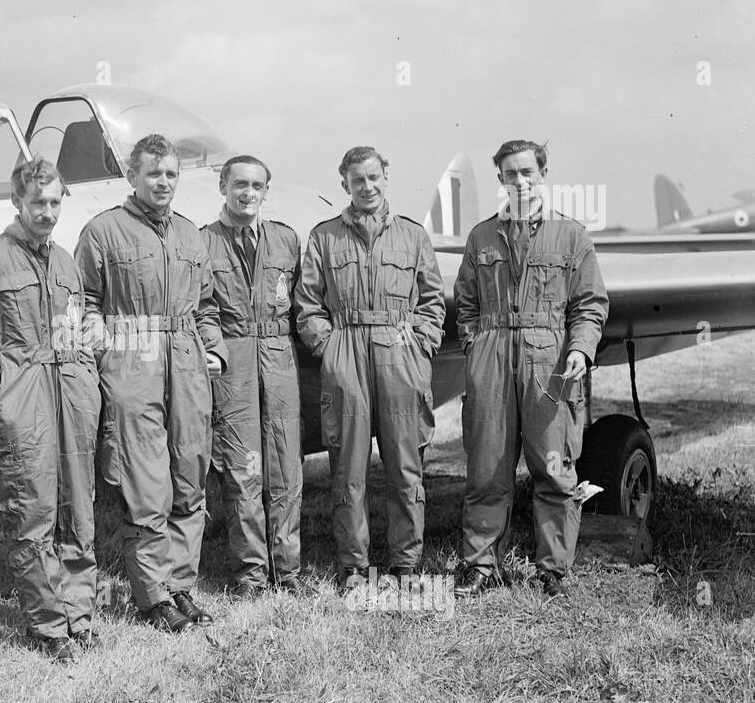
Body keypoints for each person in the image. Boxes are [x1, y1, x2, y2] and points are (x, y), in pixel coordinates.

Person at [74, 134, 228, 632]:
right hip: (131, 359)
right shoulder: (102, 231)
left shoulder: (191, 235)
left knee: (189, 474)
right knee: (145, 483)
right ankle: (153, 595)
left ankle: (183, 587)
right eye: (154, 174)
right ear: (132, 177)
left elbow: (206, 305)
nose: (163, 183)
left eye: (171, 175)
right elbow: (85, 303)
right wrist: (105, 351)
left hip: (185, 362)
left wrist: (214, 349)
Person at [0, 157, 102, 662]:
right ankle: (47, 624)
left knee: (79, 508)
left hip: (73, 393)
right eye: (36, 202)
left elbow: (80, 322)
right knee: (33, 509)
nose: (46, 211)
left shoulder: (65, 261)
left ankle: (80, 615)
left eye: (54, 202)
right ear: (16, 201)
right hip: (24, 398)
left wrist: (87, 368)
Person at [454, 140, 608, 598]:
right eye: (509, 174)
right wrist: (478, 346)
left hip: (550, 361)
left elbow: (590, 304)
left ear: (542, 173)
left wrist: (580, 349)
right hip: (492, 359)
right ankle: (480, 566)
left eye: (527, 172)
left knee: (554, 464)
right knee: (487, 466)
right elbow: (465, 304)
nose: (519, 181)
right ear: (500, 178)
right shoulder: (481, 237)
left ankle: (552, 570)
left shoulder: (572, 235)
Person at [295, 146, 445, 588]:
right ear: (345, 185)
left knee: (404, 466)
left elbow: (433, 301)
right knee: (349, 468)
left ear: (386, 178)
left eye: (374, 177)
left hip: (399, 353)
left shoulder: (413, 236)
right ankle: (355, 566)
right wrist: (332, 350)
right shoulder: (324, 237)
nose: (367, 186)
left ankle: (405, 564)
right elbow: (307, 305)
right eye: (357, 180)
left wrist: (419, 346)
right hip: (347, 352)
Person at [201, 155, 304, 597]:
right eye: (238, 184)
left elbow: (306, 301)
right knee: (243, 470)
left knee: (285, 465)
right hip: (233, 358)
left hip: (279, 357)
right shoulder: (203, 242)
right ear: (223, 186)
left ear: (266, 191)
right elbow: (201, 305)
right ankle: (251, 574)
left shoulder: (286, 240)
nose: (247, 193)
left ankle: (290, 570)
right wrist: (213, 347)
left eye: (256, 185)